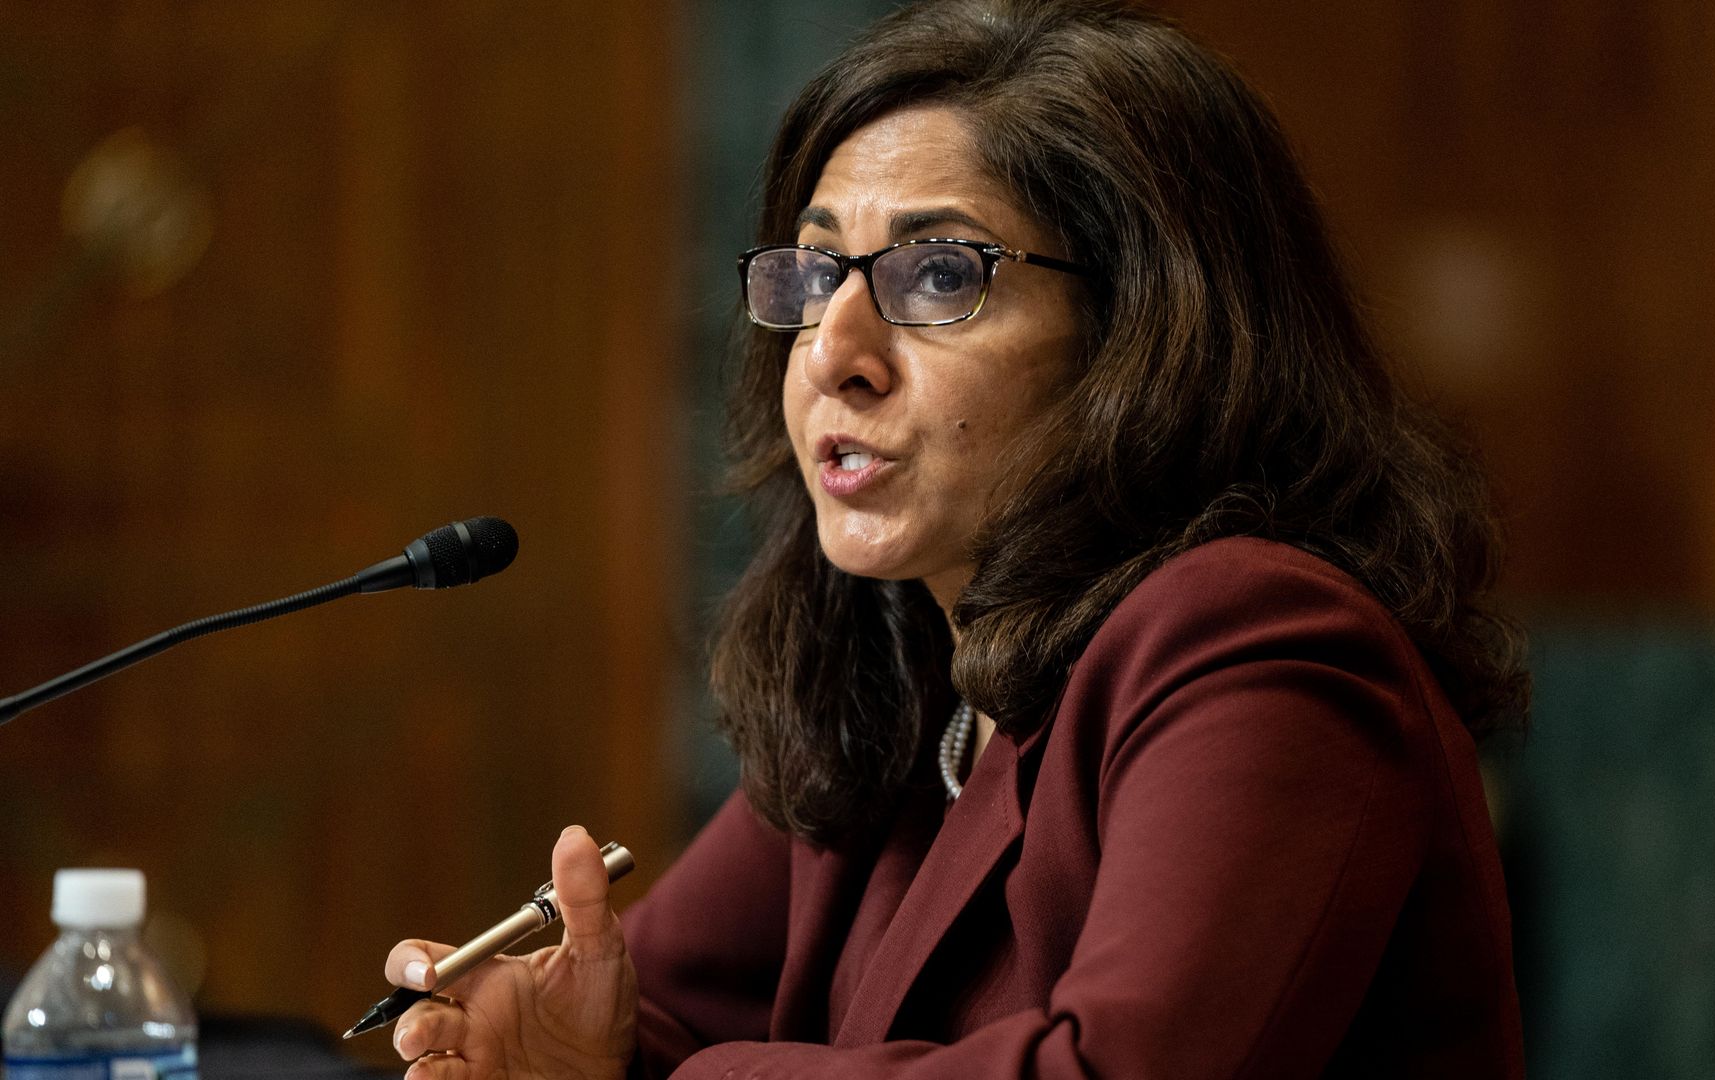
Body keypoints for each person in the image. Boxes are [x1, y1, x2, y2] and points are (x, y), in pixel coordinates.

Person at [381, 1, 1530, 1076]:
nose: (835, 351)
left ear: (1145, 330)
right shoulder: (903, 653)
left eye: (939, 274)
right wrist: (578, 1049)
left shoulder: (1260, 641)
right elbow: (671, 1009)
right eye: (815, 270)